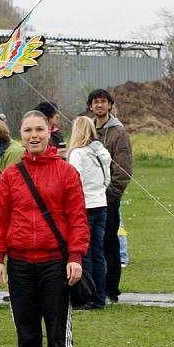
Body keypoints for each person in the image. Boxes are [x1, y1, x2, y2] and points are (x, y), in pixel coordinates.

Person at [0, 110, 89, 347]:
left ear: (50, 132)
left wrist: (75, 256)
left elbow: (77, 219)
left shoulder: (66, 172)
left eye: (39, 129)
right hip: (19, 265)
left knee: (58, 338)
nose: (34, 135)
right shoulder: (11, 176)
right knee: (27, 338)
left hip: (54, 265)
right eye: (28, 130)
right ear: (21, 134)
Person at [87, 88, 133, 303]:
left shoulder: (118, 132)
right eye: (95, 102)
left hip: (108, 199)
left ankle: (111, 289)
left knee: (110, 244)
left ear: (110, 105)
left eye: (103, 102)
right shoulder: (87, 129)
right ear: (90, 106)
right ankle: (94, 286)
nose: (99, 105)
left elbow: (123, 170)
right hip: (89, 199)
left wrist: (110, 195)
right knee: (92, 245)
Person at [67, 115, 111, 308]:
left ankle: (88, 295)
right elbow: (107, 179)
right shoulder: (101, 151)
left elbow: (74, 181)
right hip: (101, 203)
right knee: (98, 253)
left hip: (84, 206)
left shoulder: (77, 153)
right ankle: (100, 296)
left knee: (84, 253)